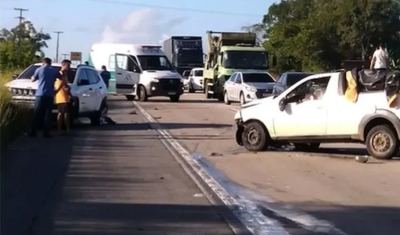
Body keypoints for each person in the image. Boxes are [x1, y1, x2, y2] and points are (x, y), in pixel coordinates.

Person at [28, 58, 59, 138]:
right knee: (48, 114)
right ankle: (46, 133)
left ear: (43, 62)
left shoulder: (39, 69)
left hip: (40, 94)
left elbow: (33, 79)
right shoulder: (54, 70)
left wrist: (32, 77)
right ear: (50, 63)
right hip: (50, 95)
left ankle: (33, 131)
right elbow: (61, 77)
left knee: (36, 113)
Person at [54, 59, 72, 135]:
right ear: (63, 65)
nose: (69, 67)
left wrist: (69, 93)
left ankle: (66, 129)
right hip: (61, 96)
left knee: (66, 113)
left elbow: (65, 84)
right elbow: (61, 85)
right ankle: (60, 129)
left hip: (65, 96)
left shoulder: (64, 74)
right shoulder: (60, 73)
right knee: (62, 113)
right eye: (68, 65)